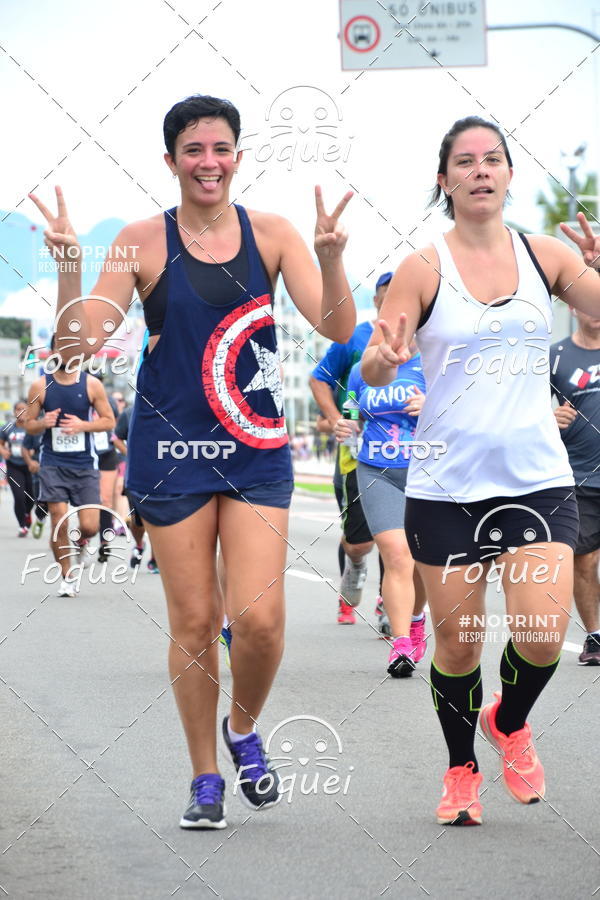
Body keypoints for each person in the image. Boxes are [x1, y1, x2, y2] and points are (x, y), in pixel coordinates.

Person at [30, 93, 355, 829]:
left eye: (221, 149)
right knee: (196, 621)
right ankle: (204, 777)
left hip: (256, 448)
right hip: (172, 454)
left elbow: (336, 325)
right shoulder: (141, 241)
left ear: (237, 155)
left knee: (262, 620)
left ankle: (242, 729)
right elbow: (78, 350)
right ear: (172, 160)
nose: (209, 162)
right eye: (194, 150)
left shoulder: (271, 234)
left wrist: (333, 262)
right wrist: (71, 269)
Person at [362, 115, 600, 827]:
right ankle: (461, 768)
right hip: (447, 487)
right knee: (459, 645)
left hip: (535, 477)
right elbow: (379, 361)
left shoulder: (546, 256)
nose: (480, 171)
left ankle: (510, 721)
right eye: (465, 162)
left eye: (492, 159)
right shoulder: (422, 267)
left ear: (509, 174)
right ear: (446, 179)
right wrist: (384, 358)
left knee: (539, 632)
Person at [334, 346, 428, 676]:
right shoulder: (364, 369)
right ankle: (401, 644)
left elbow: (470, 413)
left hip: (428, 469)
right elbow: (352, 418)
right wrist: (346, 429)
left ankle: (416, 620)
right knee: (398, 555)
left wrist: (434, 408)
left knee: (424, 558)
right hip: (376, 469)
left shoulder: (438, 360)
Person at [310, 273, 391, 626]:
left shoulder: (422, 339)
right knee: (360, 539)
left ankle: (391, 606)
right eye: (388, 296)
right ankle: (355, 568)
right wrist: (336, 419)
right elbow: (319, 378)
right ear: (376, 300)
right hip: (355, 451)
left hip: (404, 450)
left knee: (396, 533)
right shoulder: (354, 338)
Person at [23, 341, 115, 597]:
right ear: (53, 352)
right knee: (58, 519)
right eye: (61, 348)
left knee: (90, 526)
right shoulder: (40, 385)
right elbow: (27, 424)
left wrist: (83, 425)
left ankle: (82, 540)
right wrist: (43, 423)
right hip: (53, 463)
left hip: (84, 464)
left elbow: (109, 421)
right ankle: (67, 576)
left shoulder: (91, 384)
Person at [550, 308, 600, 664]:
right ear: (573, 307)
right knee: (584, 560)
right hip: (579, 475)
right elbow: (526, 409)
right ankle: (595, 636)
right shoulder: (556, 357)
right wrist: (548, 418)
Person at [0, 400, 34, 536]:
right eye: (18, 409)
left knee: (31, 497)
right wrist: (3, 451)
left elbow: (41, 444)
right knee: (19, 497)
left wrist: (33, 452)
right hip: (14, 466)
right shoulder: (8, 427)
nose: (21, 412)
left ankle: (27, 513)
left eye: (24, 409)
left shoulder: (32, 427)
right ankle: (22, 526)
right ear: (14, 412)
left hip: (30, 466)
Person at [21, 431, 48, 538]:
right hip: (39, 470)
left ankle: (56, 538)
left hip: (59, 469)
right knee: (41, 504)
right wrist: (30, 462)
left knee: (58, 508)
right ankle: (41, 518)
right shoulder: (36, 425)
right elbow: (24, 448)